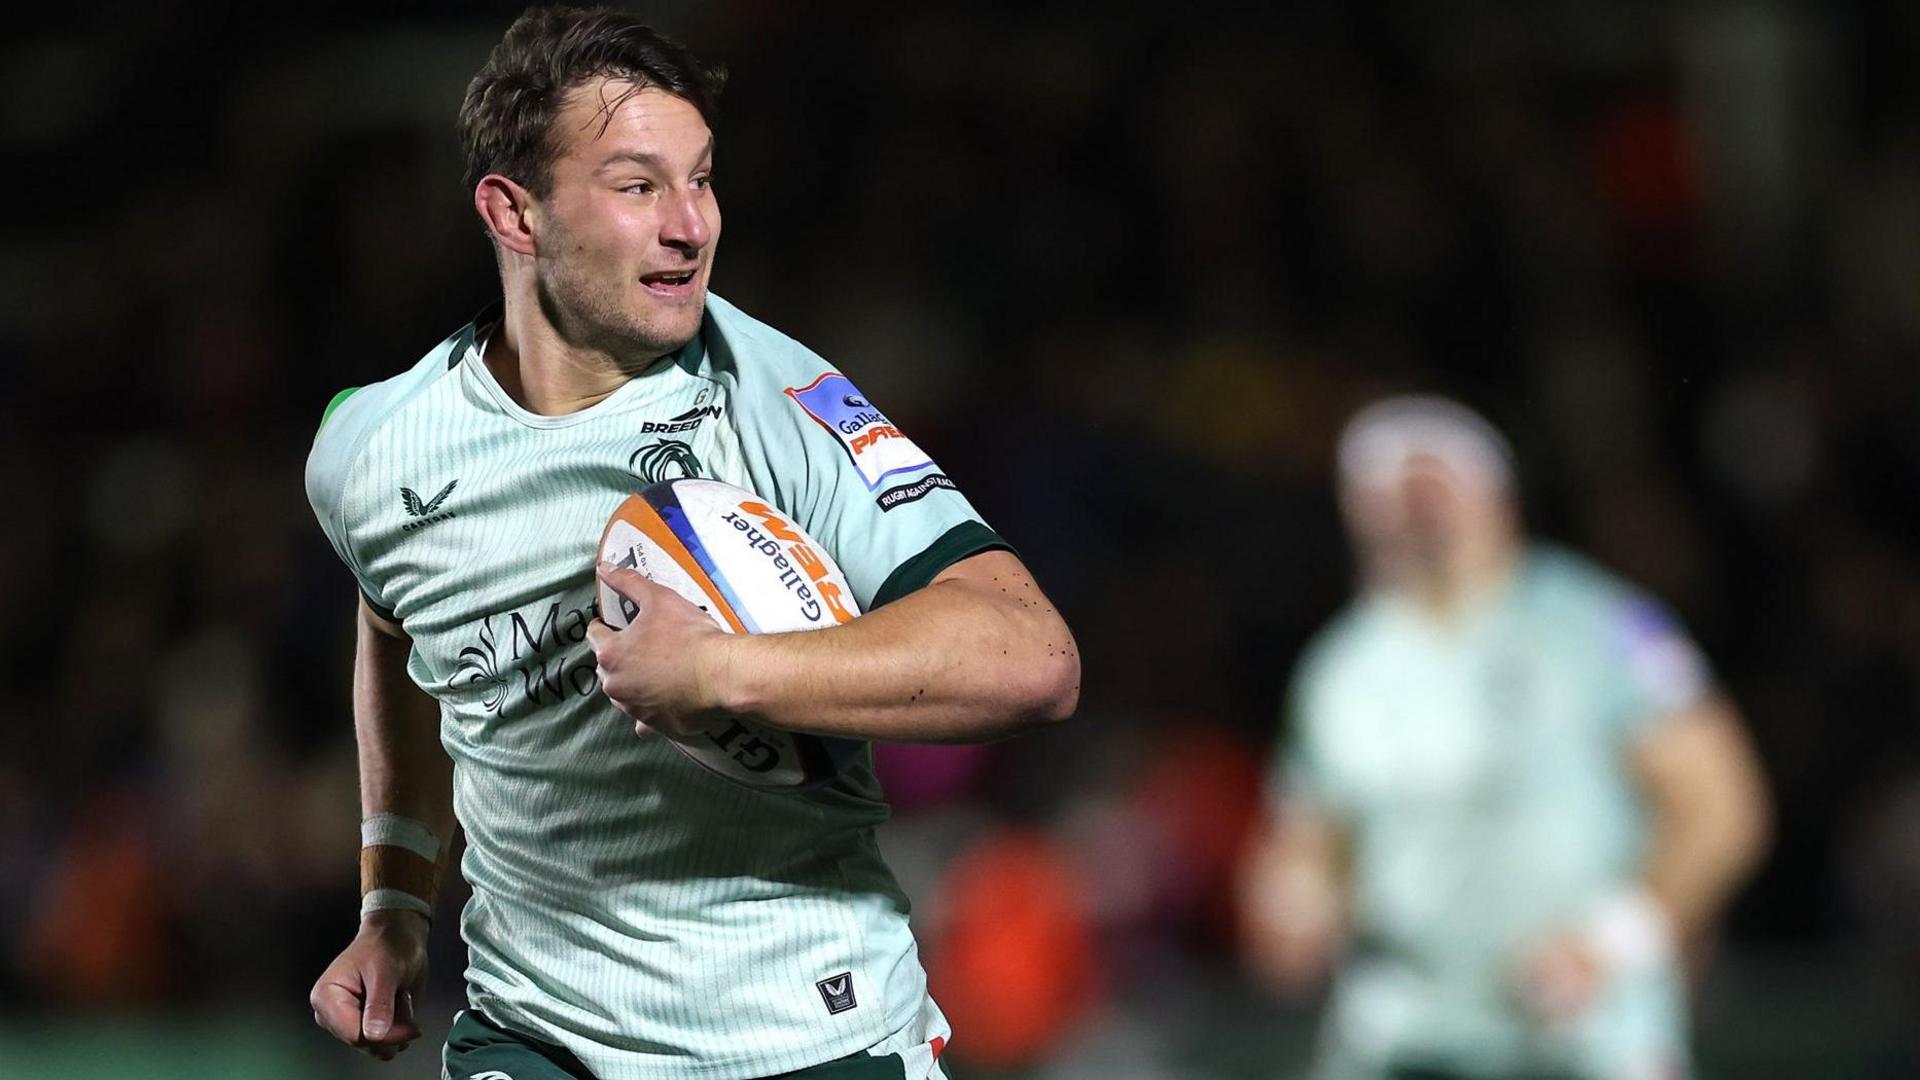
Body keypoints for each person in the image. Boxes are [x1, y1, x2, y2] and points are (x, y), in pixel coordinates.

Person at [301, 8, 1079, 1080]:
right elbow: (392, 623)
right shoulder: (370, 450)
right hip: (537, 1037)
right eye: (638, 186)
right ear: (513, 214)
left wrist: (720, 671)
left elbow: (1030, 657)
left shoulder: (779, 403)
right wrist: (393, 903)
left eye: (702, 179)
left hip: (810, 1035)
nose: (692, 225)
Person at [1238, 396, 1769, 1080]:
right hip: (1406, 1033)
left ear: (1496, 491)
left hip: (1585, 1031)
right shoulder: (1341, 668)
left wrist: (1614, 940)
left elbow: (1722, 806)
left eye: (1432, 477)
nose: (1412, 502)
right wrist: (1291, 905)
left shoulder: (1599, 625)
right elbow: (1308, 841)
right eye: (1387, 484)